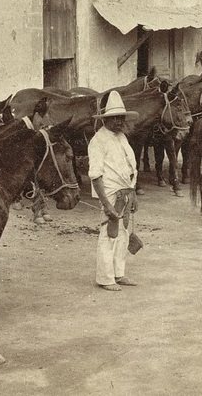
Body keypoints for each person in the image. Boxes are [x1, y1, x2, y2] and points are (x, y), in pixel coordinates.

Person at [88, 91, 141, 292]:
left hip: (126, 191)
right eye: (115, 118)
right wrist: (107, 203)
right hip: (110, 193)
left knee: (123, 233)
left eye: (121, 118)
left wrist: (133, 192)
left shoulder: (122, 138)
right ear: (106, 119)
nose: (119, 122)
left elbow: (130, 168)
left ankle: (119, 272)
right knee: (109, 233)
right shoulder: (98, 140)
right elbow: (95, 175)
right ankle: (105, 277)